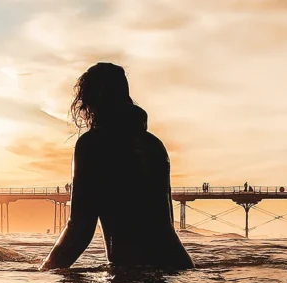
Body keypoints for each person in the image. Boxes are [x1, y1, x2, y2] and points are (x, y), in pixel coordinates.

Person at [39, 62, 194, 271]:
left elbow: (80, 229)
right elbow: (162, 226)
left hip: (132, 274)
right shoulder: (154, 145)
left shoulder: (92, 144)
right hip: (177, 268)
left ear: (90, 102)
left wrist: (45, 270)